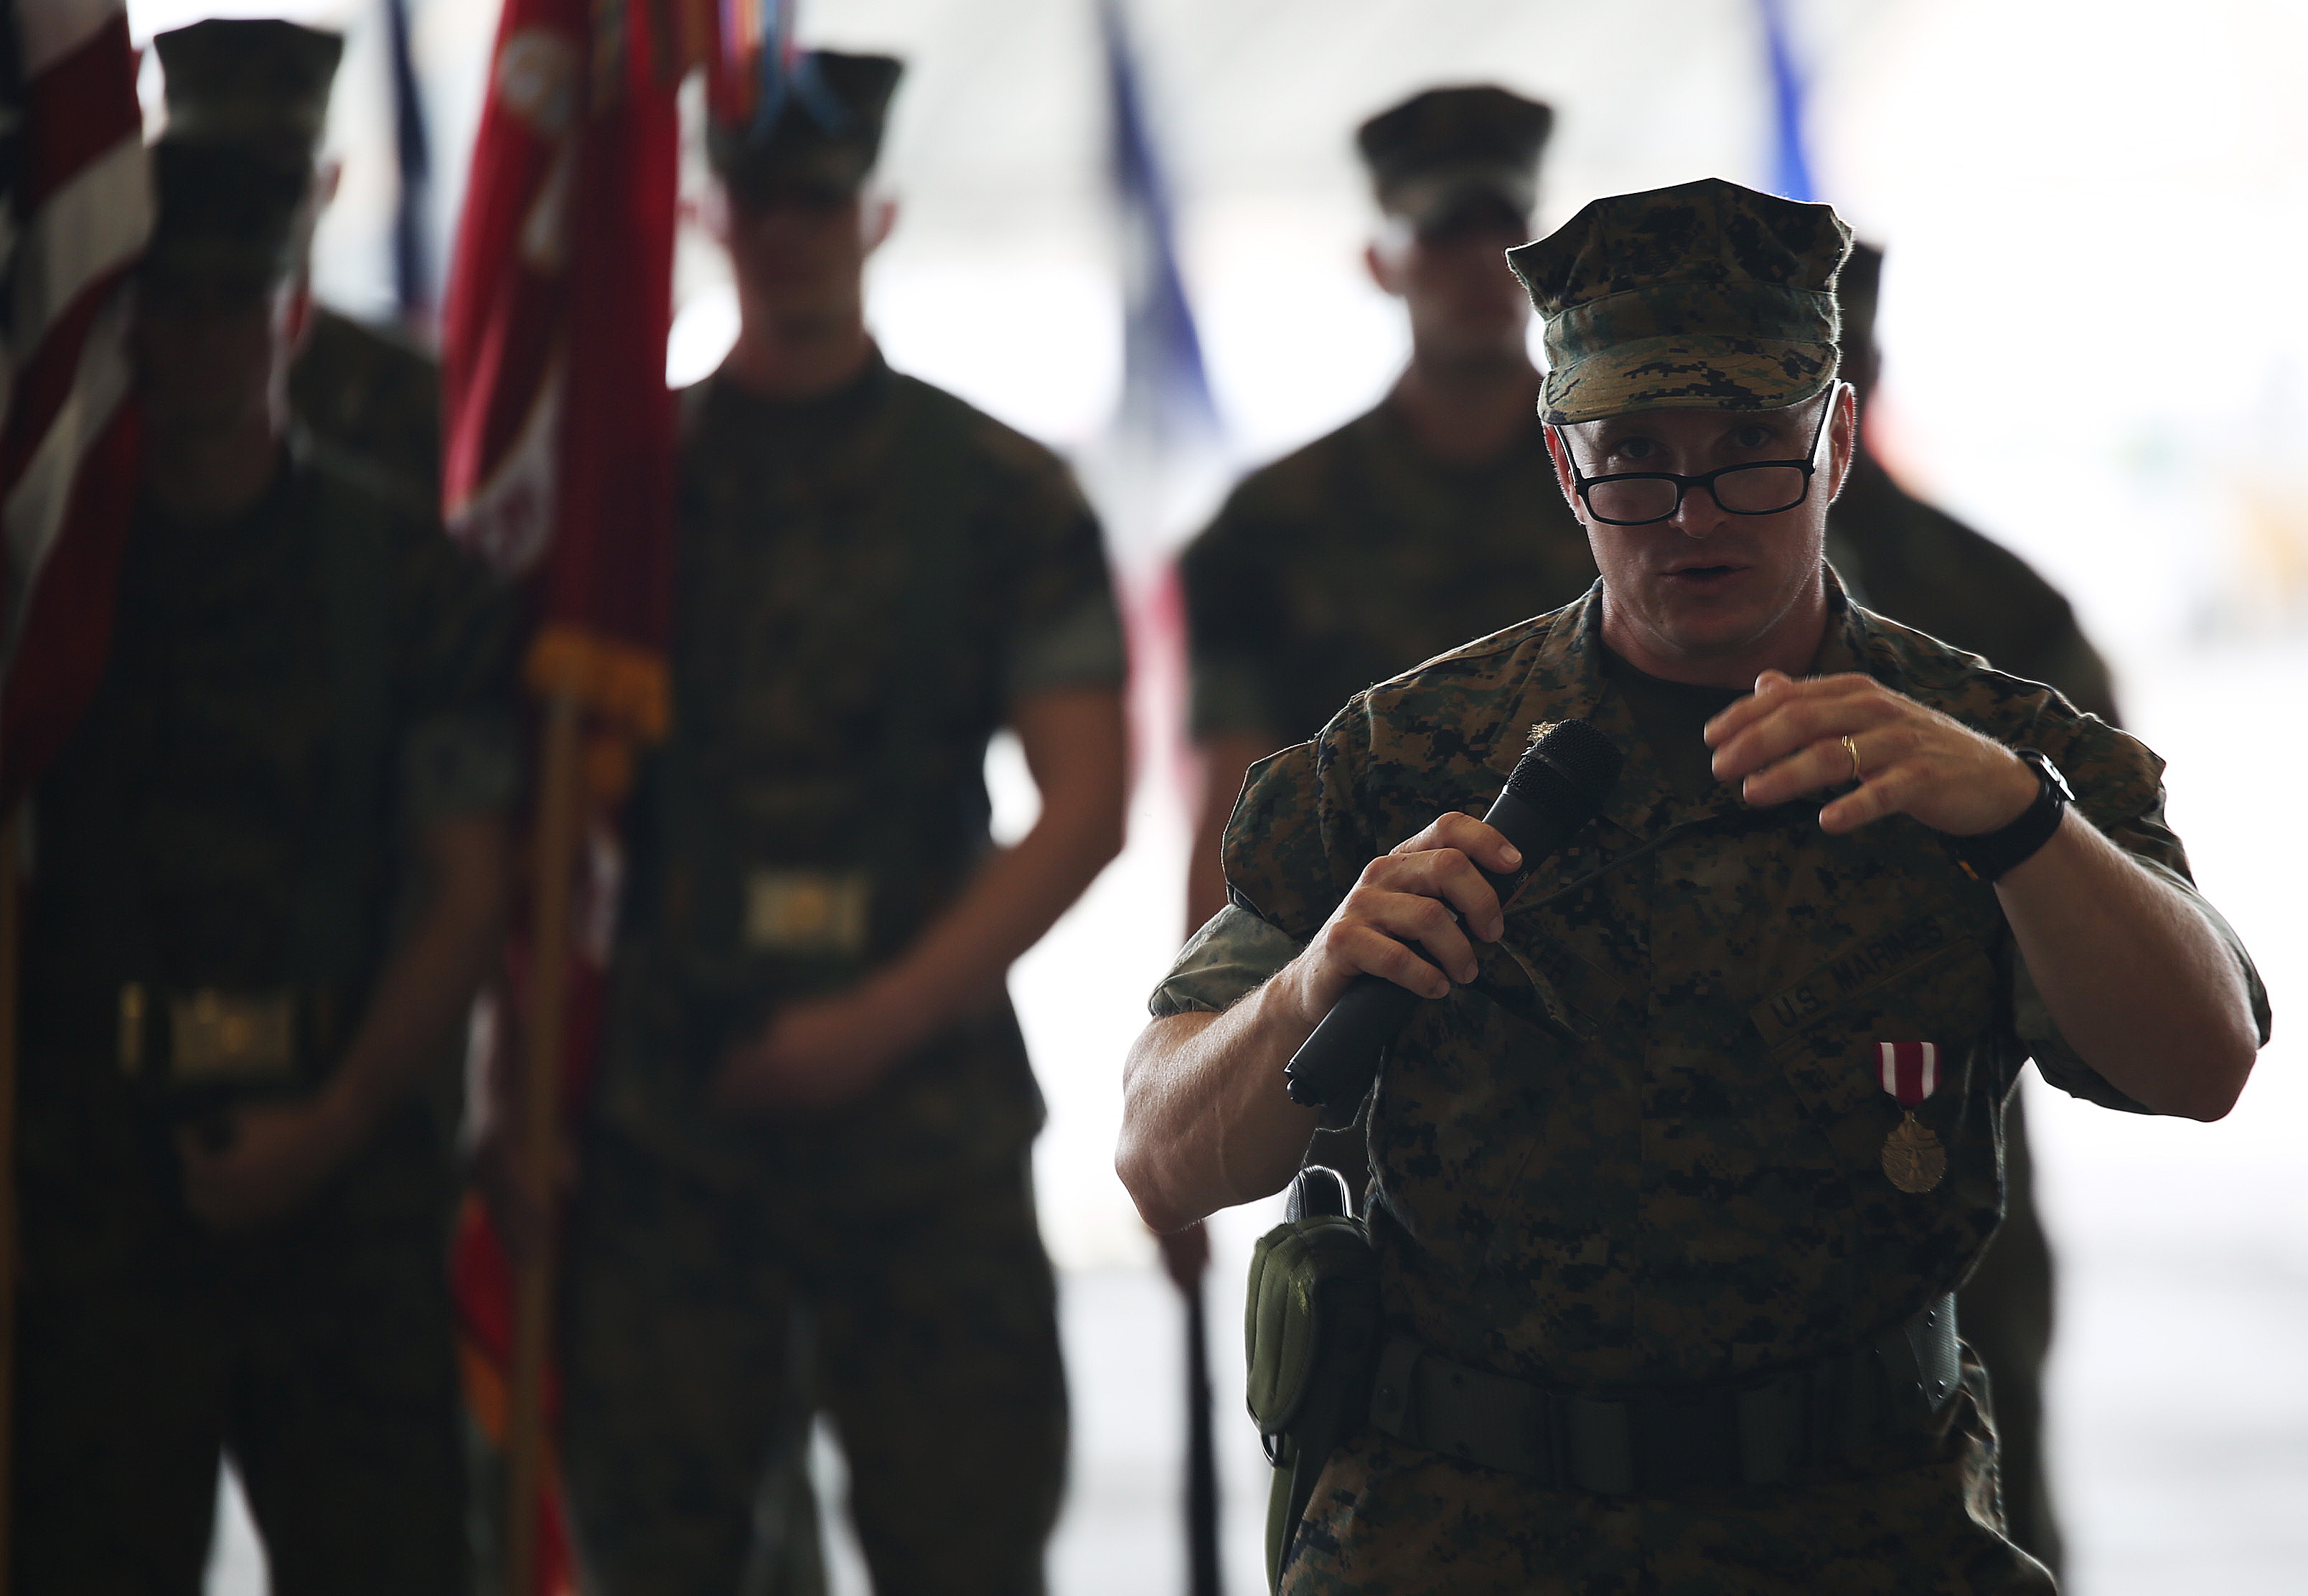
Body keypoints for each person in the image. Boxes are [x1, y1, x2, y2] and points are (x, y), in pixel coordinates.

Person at [1117, 177, 2268, 1592]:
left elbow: (2208, 1056)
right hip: (1463, 1535)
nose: (1694, 513)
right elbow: (1161, 1155)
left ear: (1837, 441)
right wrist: (1308, 987)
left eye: (1751, 451)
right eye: (1637, 458)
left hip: (1855, 1528)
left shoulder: (1991, 748)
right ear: (1561, 461)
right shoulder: (1409, 753)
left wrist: (2022, 822)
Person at [554, 50, 1129, 1595]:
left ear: (872, 215)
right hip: (675, 1127)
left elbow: (1088, 806)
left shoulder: (1005, 491)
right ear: (704, 211)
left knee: (964, 1551)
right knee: (660, 1558)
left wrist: (876, 1020)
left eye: (818, 201)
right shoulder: (624, 487)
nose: (788, 232)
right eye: (759, 201)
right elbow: (538, 796)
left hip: (923, 1132)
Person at [11, 19, 519, 1592]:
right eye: (181, 299)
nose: (213, 333)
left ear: (290, 312)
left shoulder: (397, 572)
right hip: (100, 1188)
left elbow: (465, 879)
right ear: (132, 317)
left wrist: (340, 1118)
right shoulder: (55, 578)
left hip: (343, 1189)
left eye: (244, 298)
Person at [1829, 239, 2110, 1577]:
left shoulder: (1996, 615)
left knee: (1985, 1516)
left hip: (1938, 1159)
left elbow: (2116, 936)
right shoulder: (1628, 595)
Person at [1179, 84, 1594, 933]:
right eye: (1446, 230)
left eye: (1507, 226)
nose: (1486, 260)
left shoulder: (1632, 486)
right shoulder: (1273, 522)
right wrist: (1210, 1024)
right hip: (1366, 975)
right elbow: (1231, 816)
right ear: (1382, 262)